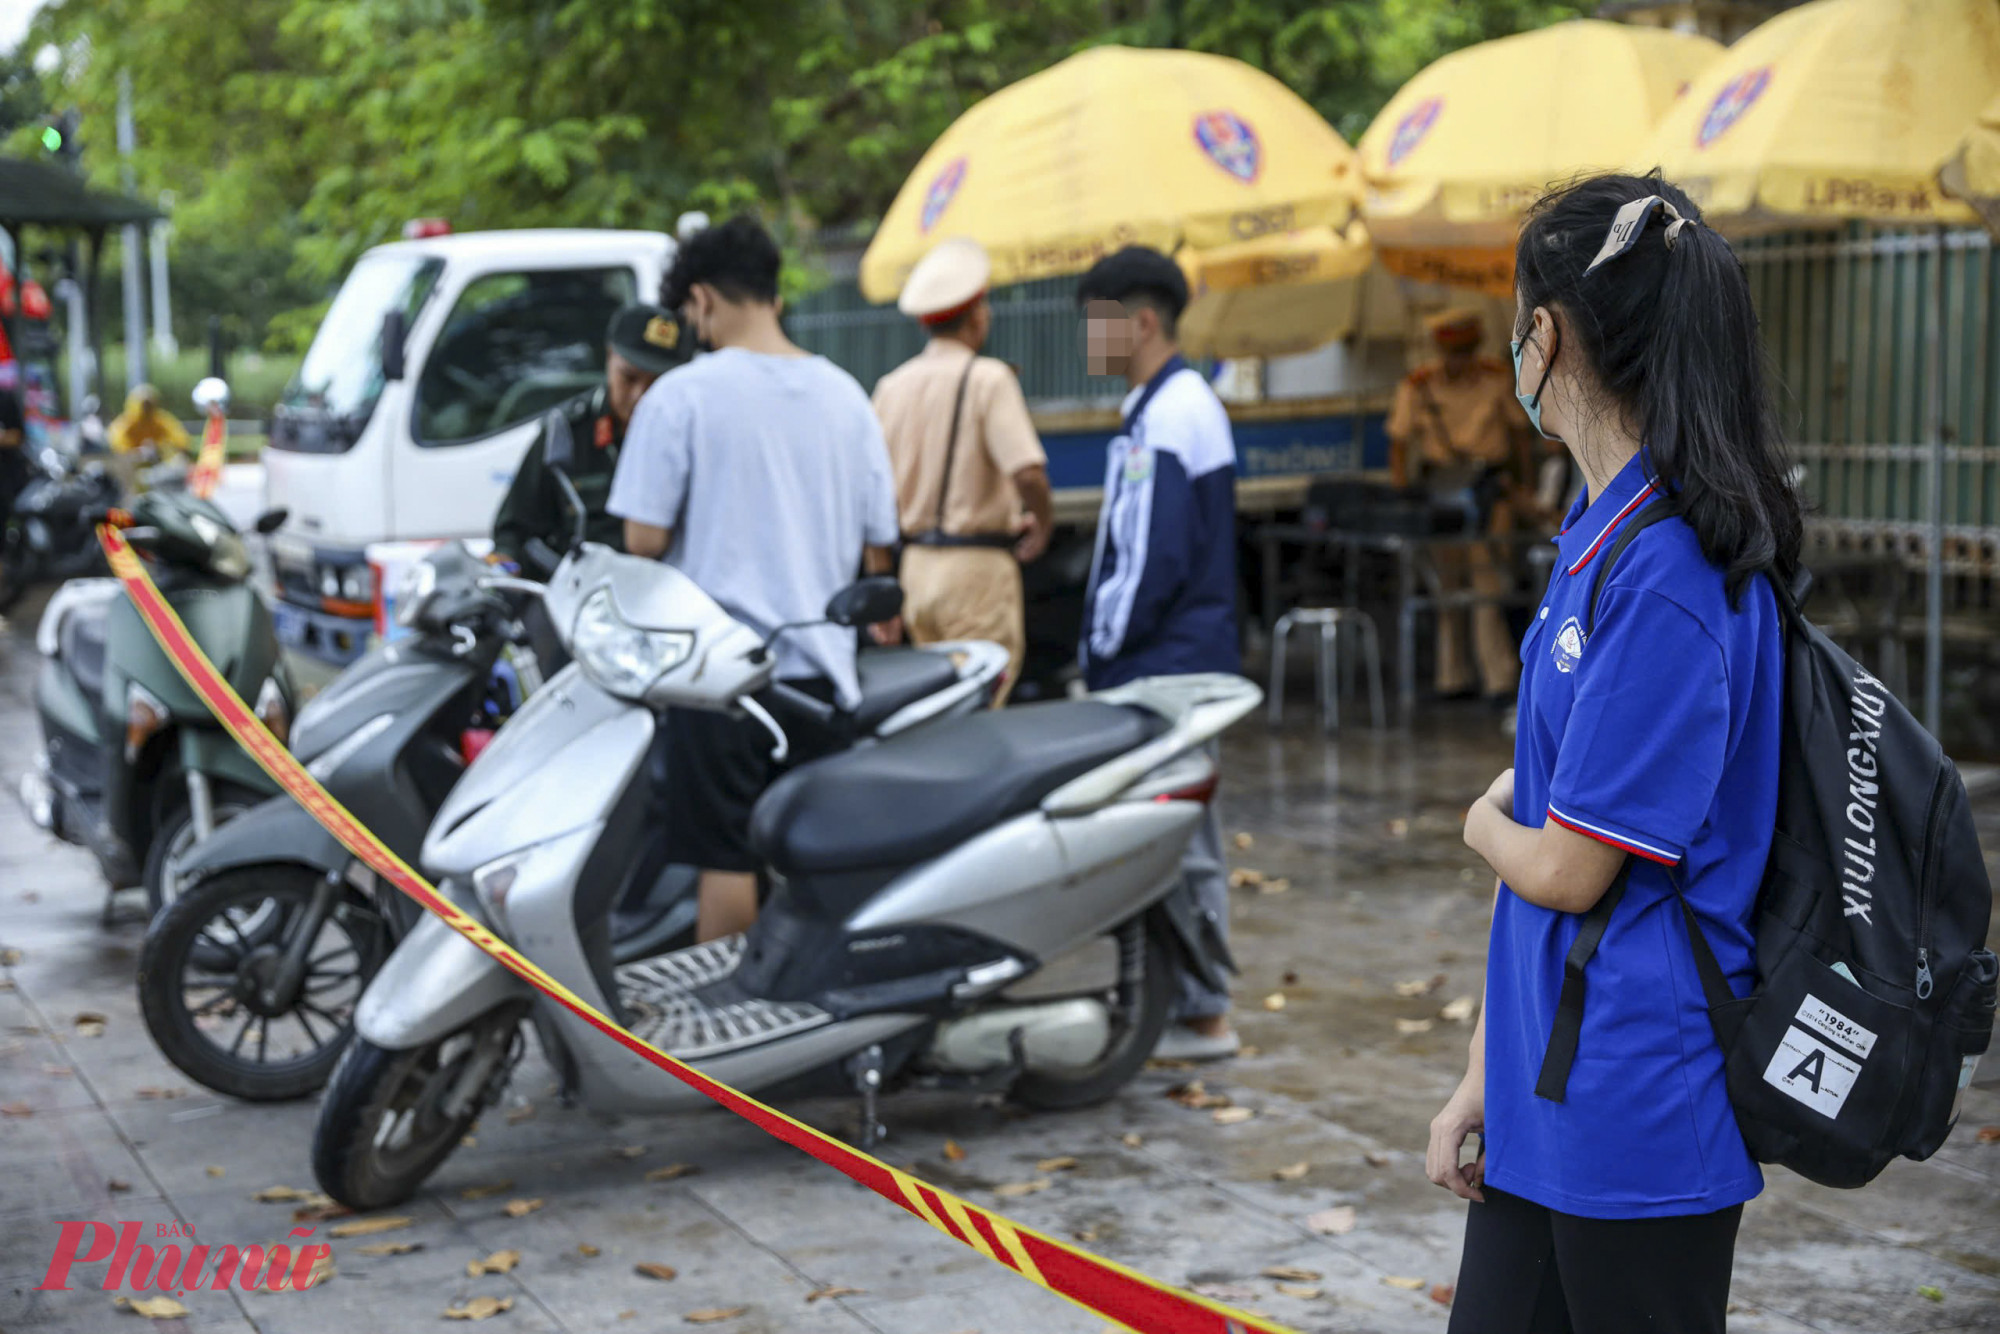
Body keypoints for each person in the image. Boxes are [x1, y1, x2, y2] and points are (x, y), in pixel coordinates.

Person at [1428, 174, 1801, 1333]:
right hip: (1544, 1093)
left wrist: (1475, 818)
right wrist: (1476, 1079)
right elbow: (1542, 839)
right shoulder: (1597, 534)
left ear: (1544, 334)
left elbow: (1562, 864)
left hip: (1638, 1102)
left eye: (1515, 321)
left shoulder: (1671, 573)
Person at [608, 215, 899, 943]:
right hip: (825, 681)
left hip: (722, 682)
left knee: (726, 859)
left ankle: (727, 1031)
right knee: (807, 860)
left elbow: (641, 539)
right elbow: (879, 540)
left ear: (701, 301)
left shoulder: (683, 396)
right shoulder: (847, 397)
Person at [1075, 245, 1241, 1062]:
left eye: (1094, 323)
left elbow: (1150, 558)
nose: (1085, 340)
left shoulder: (1173, 415)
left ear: (1139, 323)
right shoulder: (1163, 407)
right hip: (1169, 659)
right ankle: (1180, 1003)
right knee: (1167, 836)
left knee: (1185, 838)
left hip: (1165, 665)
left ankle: (1206, 1013)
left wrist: (1101, 648)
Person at [872, 237, 1052, 704]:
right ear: (976, 316)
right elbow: (1028, 472)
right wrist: (1044, 524)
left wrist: (882, 580)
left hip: (915, 573)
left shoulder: (890, 388)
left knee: (936, 708)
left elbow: (872, 499)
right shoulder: (988, 378)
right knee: (980, 706)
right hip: (976, 573)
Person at [1387, 308, 1531, 705]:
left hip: (1489, 492)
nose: (1459, 359)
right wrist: (1402, 495)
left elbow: (1520, 437)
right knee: (1445, 586)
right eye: (1452, 351)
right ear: (1439, 350)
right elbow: (1398, 444)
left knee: (1489, 583)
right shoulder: (1418, 386)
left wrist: (1526, 488)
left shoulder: (1495, 379)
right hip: (1440, 494)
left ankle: (1498, 679)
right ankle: (1453, 678)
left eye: (1465, 350)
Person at [492, 303, 690, 577]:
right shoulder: (568, 432)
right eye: (629, 378)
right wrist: (504, 569)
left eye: (656, 383)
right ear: (609, 357)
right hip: (577, 602)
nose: (640, 396)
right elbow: (514, 532)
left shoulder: (690, 439)